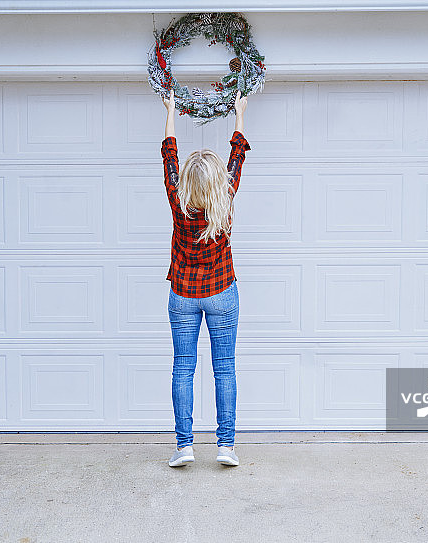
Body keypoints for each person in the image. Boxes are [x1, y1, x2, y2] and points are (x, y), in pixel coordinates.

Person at [161, 88, 250, 468]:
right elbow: (237, 154)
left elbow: (168, 153)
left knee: (184, 367)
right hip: (221, 293)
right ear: (217, 181)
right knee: (224, 367)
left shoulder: (177, 199)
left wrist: (170, 110)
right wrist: (239, 111)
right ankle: (225, 446)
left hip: (183, 294)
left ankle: (184, 447)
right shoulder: (225, 198)